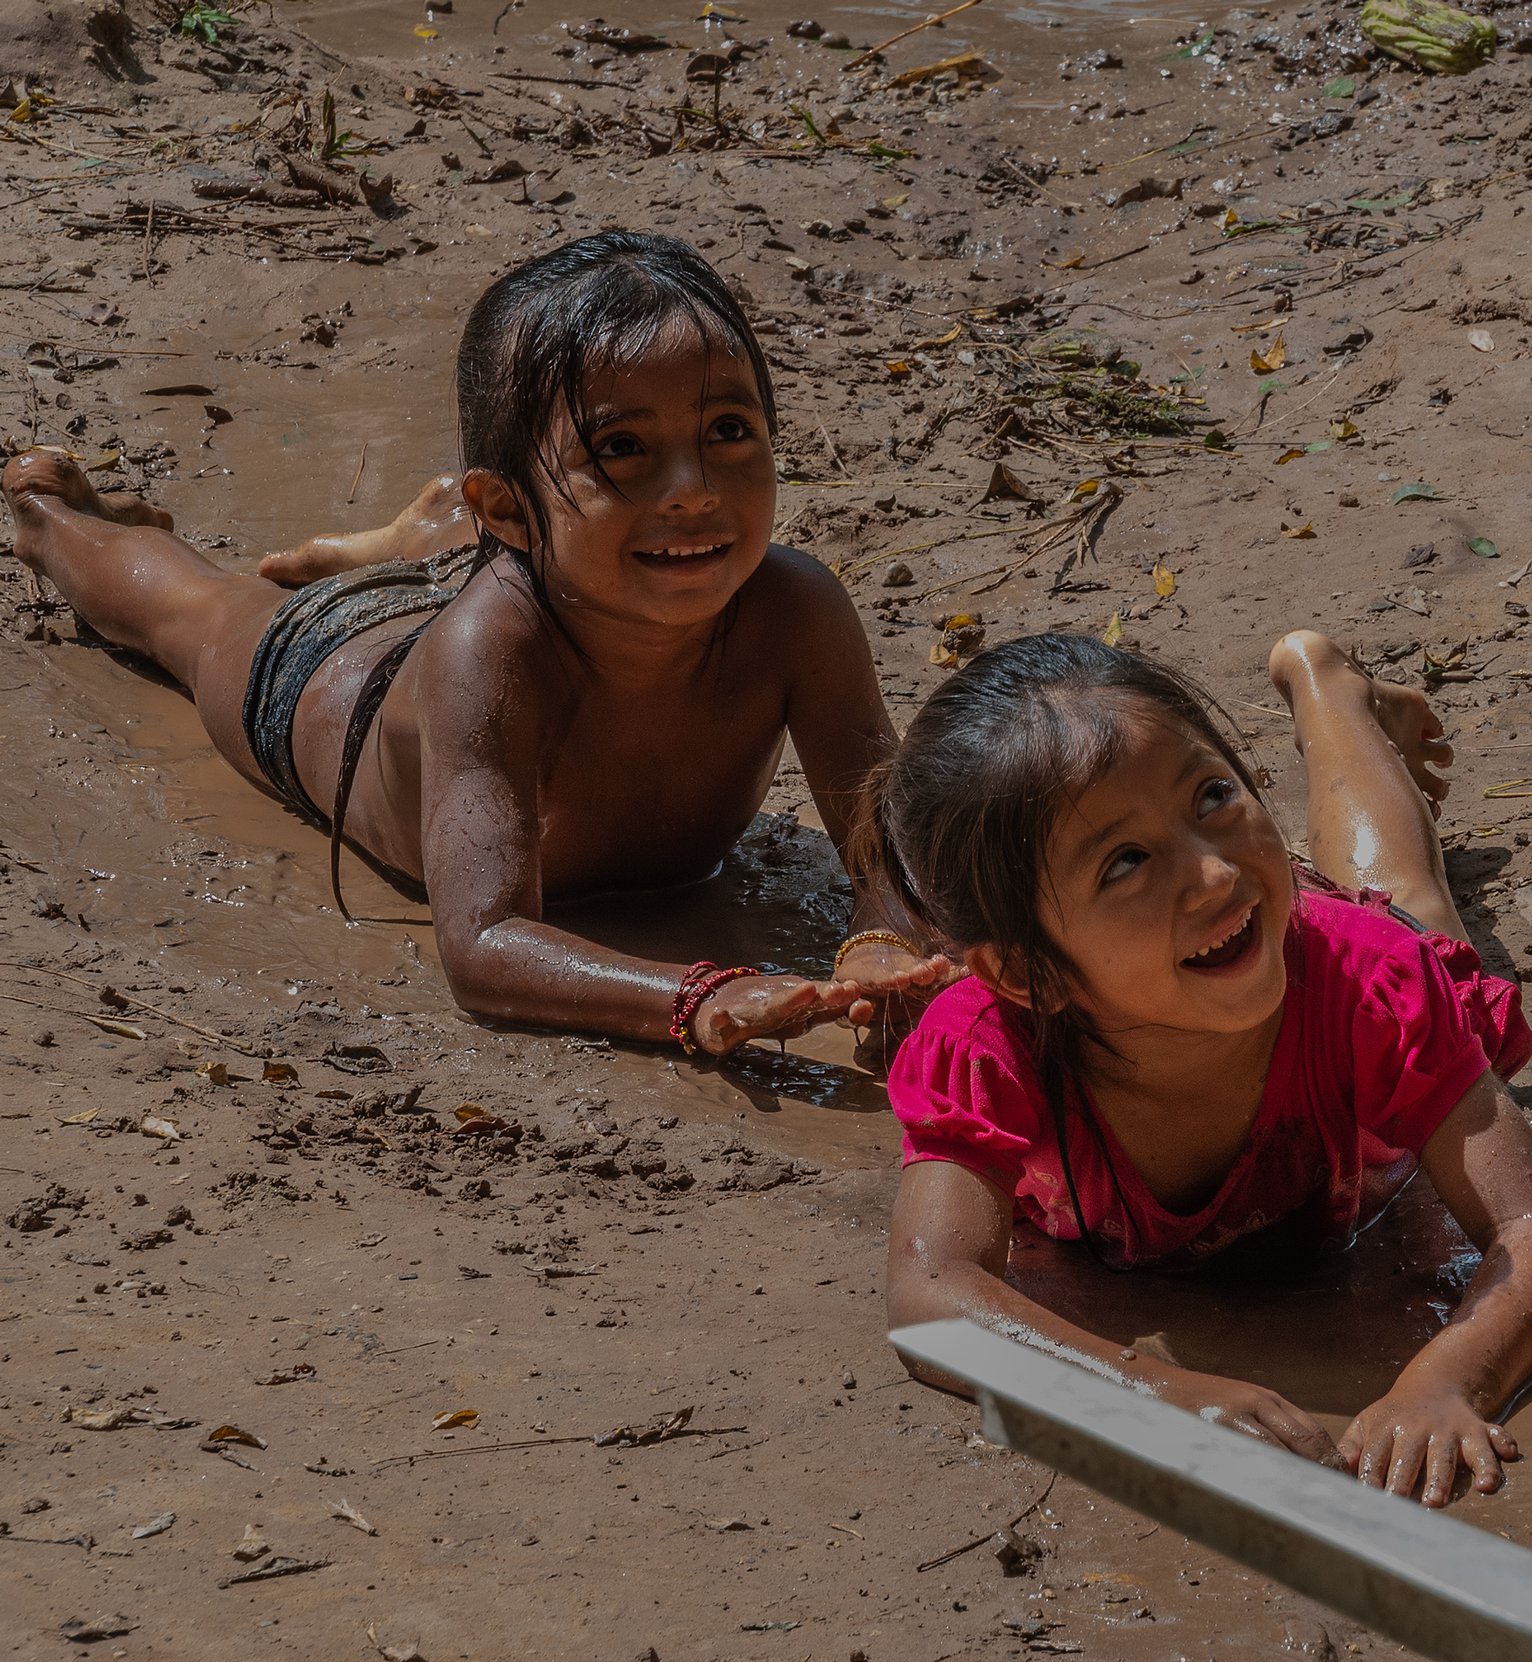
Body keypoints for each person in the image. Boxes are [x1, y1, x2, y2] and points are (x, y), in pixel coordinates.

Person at [3, 231, 948, 1055]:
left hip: (531, 560)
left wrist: (888, 953)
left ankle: (428, 534)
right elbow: (485, 943)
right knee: (195, 614)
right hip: (334, 670)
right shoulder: (486, 655)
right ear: (512, 506)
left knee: (577, 550)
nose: (692, 490)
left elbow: (887, 854)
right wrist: (698, 994)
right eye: (623, 448)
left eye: (729, 430)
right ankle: (49, 517)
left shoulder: (797, 610)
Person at [877, 629, 1532, 1507]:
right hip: (1245, 952)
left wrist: (1446, 1382)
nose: (1215, 872)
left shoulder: (1370, 988)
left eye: (1214, 794)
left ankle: (1326, 687)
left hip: (1332, 948)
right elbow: (930, 1290)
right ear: (1027, 974)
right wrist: (1155, 1393)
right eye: (1126, 861)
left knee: (1407, 896)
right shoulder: (988, 1042)